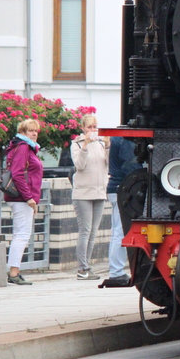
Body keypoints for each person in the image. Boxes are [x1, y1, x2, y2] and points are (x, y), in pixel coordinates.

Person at [3, 119, 43, 285]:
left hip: (21, 198)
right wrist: (29, 198)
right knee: (22, 234)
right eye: (30, 131)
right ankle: (13, 273)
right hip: (21, 198)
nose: (34, 134)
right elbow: (18, 174)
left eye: (36, 131)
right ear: (23, 132)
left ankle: (14, 271)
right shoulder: (23, 147)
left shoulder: (25, 147)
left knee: (21, 234)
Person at [71, 114, 109, 280]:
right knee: (85, 231)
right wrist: (85, 145)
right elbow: (79, 165)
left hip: (99, 192)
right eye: (89, 127)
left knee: (93, 232)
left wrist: (108, 145)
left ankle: (87, 266)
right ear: (83, 128)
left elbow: (108, 164)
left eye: (95, 127)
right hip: (83, 193)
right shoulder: (77, 144)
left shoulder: (100, 144)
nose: (92, 130)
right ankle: (82, 268)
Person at [103, 137, 140, 287]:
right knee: (121, 230)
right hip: (123, 187)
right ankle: (116, 271)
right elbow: (131, 164)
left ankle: (116, 270)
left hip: (117, 186)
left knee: (117, 230)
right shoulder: (126, 139)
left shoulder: (118, 138)